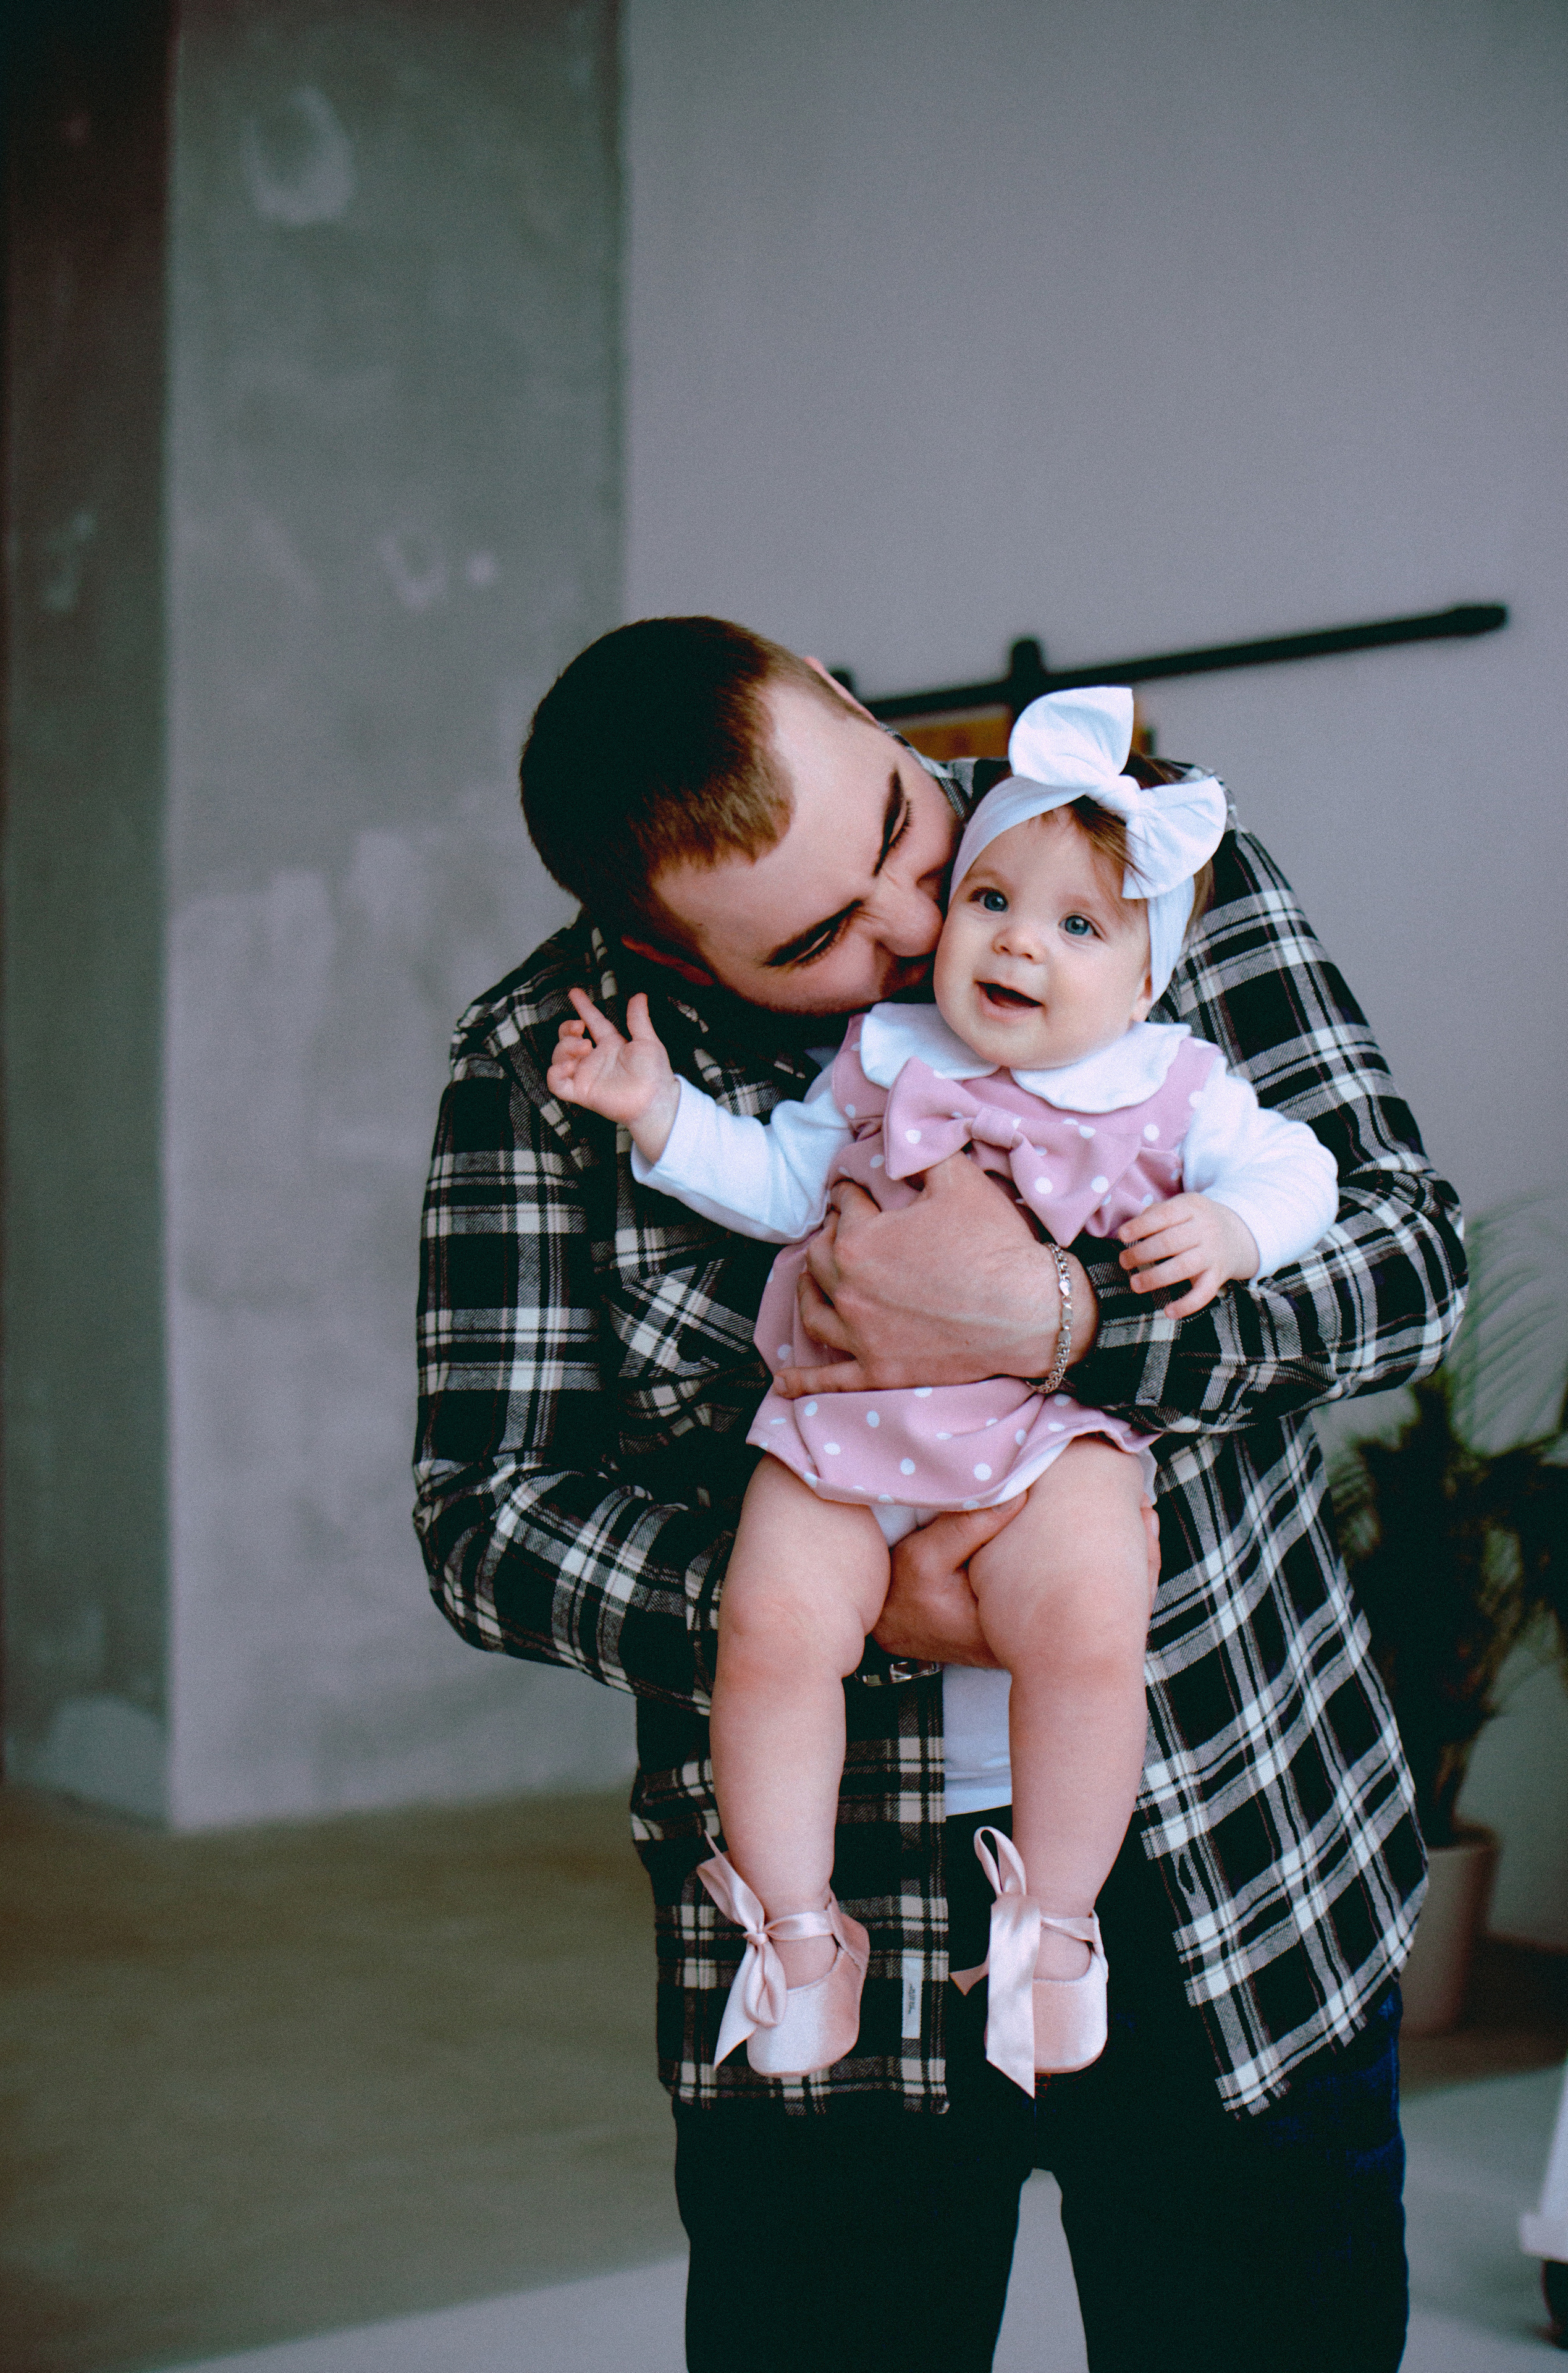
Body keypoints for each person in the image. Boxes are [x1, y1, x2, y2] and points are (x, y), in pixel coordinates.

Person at [414, 615, 1465, 2372]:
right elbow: (487, 1516)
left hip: (1231, 1857)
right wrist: (826, 1609)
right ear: (655, 948)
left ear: (852, 698)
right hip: (836, 1929)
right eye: (816, 939)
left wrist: (1065, 1320)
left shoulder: (1132, 871)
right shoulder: (551, 1060)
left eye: (905, 826)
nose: (922, 933)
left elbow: (1406, 1264)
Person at [543, 683, 1338, 2091]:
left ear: (1148, 978)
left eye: (1076, 929)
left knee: (1091, 1625)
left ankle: (1059, 1923)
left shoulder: (1171, 1082)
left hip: (1046, 1441)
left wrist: (1220, 1235)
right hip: (837, 1431)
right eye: (989, 901)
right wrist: (655, 1115)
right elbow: (777, 1178)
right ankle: (794, 1926)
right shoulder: (881, 1057)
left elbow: (1320, 1182)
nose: (999, 938)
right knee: (771, 1625)